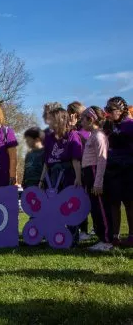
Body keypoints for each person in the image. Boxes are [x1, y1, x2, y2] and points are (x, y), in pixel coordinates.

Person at [39, 108, 83, 245]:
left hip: (67, 173)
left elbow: (76, 159)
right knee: (54, 206)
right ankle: (56, 236)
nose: (49, 122)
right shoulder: (49, 138)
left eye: (52, 119)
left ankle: (72, 238)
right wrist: (41, 179)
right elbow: (46, 161)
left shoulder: (72, 135)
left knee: (69, 206)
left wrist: (78, 177)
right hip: (52, 175)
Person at [80, 107, 112, 251]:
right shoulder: (91, 135)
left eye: (83, 119)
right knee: (94, 208)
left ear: (91, 120)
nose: (81, 122)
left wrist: (98, 182)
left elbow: (101, 160)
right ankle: (101, 238)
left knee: (100, 208)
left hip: (94, 173)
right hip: (88, 173)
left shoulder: (99, 136)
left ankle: (106, 240)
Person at [103, 96, 133, 245]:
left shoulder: (130, 125)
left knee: (129, 203)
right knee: (114, 202)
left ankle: (132, 236)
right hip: (112, 168)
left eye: (110, 109)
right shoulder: (109, 126)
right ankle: (115, 236)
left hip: (128, 168)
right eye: (106, 109)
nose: (107, 112)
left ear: (121, 110)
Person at [67, 101, 91, 239]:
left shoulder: (84, 130)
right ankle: (81, 229)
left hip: (86, 168)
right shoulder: (72, 130)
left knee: (85, 200)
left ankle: (85, 230)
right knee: (78, 200)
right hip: (76, 168)